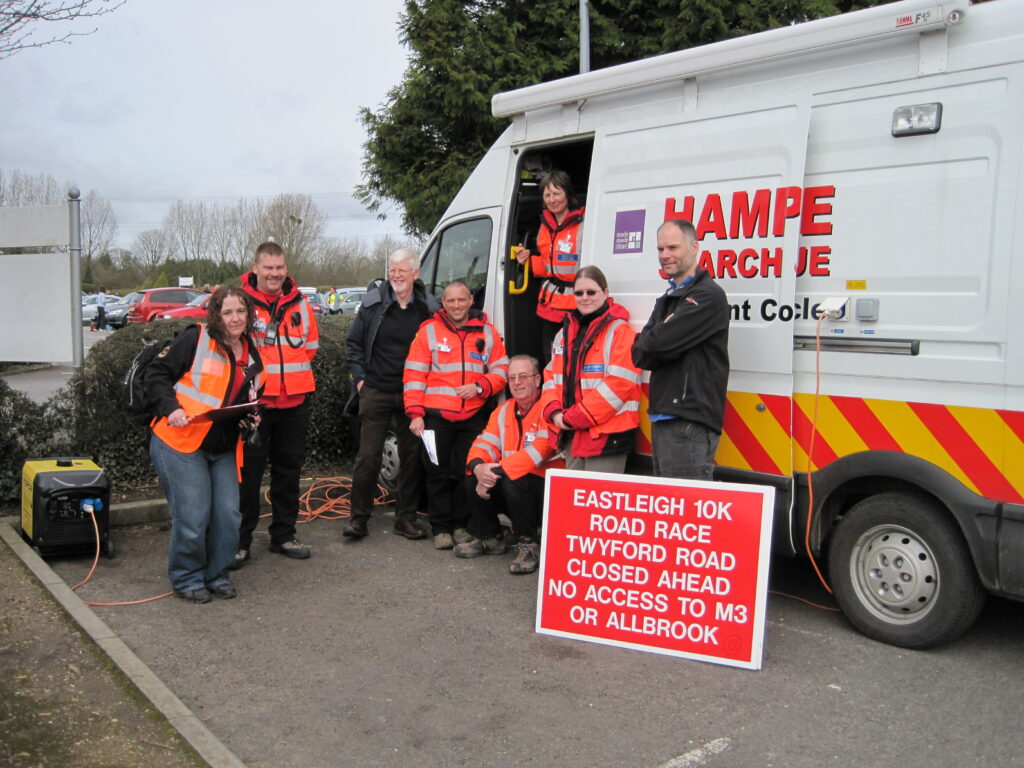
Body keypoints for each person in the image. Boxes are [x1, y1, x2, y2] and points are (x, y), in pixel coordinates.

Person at [145, 286, 265, 603]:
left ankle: (216, 574)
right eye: (228, 312)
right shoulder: (195, 339)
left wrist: (249, 418)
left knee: (228, 515)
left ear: (249, 314)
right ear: (216, 315)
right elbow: (155, 374)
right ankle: (187, 577)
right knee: (194, 516)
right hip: (179, 440)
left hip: (221, 445)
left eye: (241, 311)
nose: (235, 318)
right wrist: (171, 409)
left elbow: (243, 401)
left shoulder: (252, 355)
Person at [232, 241, 319, 567]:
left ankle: (284, 535)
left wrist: (287, 380)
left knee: (289, 473)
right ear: (255, 268)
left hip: (294, 402)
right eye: (268, 268)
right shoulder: (240, 303)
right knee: (248, 476)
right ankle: (240, 542)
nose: (274, 274)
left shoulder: (300, 304)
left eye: (279, 268)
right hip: (256, 406)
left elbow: (310, 347)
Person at [404, 280, 509, 550]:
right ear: (443, 303)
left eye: (461, 300)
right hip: (435, 417)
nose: (456, 305)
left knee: (468, 471)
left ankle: (461, 525)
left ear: (471, 300)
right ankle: (440, 527)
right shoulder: (428, 331)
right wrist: (416, 413)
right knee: (435, 472)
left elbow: (502, 371)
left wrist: (480, 386)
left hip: (473, 416)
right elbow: (414, 374)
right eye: (450, 301)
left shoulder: (487, 332)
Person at [344, 248, 437, 540]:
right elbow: (354, 344)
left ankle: (406, 519)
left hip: (414, 394)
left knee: (411, 459)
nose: (396, 275)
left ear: (416, 274)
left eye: (402, 270)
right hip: (377, 390)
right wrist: (361, 382)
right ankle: (358, 519)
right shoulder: (373, 303)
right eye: (392, 270)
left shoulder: (429, 307)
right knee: (368, 458)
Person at [631, 219, 730, 480]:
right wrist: (655, 337)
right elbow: (640, 353)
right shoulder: (669, 298)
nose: (665, 255)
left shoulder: (707, 296)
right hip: (665, 418)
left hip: (688, 421)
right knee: (670, 508)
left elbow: (655, 344)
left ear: (694, 247)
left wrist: (655, 336)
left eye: (673, 247)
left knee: (686, 507)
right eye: (660, 249)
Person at [455, 354, 564, 574]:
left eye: (523, 376)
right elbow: (485, 442)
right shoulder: (504, 409)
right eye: (512, 377)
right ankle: (490, 538)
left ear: (538, 380)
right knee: (473, 475)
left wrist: (494, 471)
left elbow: (540, 451)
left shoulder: (550, 408)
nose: (516, 382)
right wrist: (478, 468)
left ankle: (529, 544)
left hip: (549, 492)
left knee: (513, 480)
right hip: (513, 484)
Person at [542, 265, 641, 474]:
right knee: (571, 501)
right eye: (579, 293)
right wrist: (553, 411)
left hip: (606, 436)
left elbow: (619, 385)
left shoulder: (620, 331)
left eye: (591, 292)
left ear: (605, 293)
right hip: (571, 432)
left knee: (598, 502)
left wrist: (574, 417)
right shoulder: (564, 334)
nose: (585, 298)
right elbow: (551, 377)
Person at [512, 170, 586, 354]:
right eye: (548, 195)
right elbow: (547, 266)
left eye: (557, 193)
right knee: (550, 356)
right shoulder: (545, 227)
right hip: (549, 306)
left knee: (571, 356)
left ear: (567, 194)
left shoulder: (583, 224)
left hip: (575, 306)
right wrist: (526, 261)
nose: (552, 199)